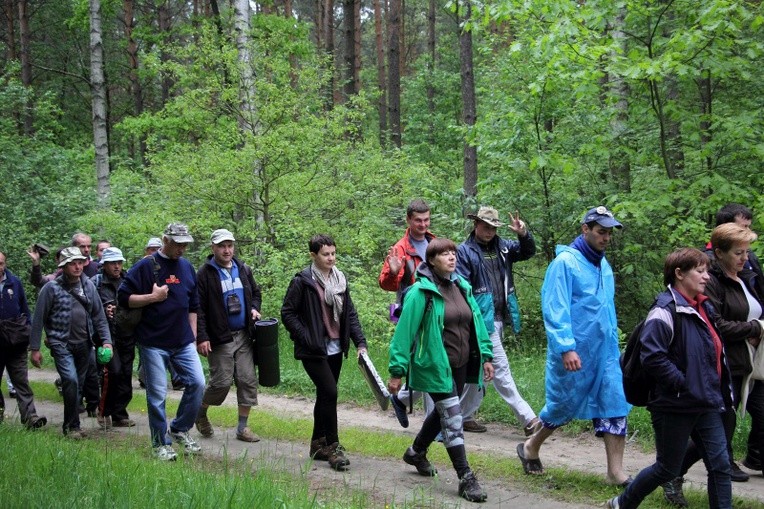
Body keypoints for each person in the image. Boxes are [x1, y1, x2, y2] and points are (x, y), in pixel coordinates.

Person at [607, 248, 732, 509]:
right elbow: (652, 357)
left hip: (706, 402)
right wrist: (682, 384)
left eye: (707, 270)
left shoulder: (703, 307)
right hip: (674, 405)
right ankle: (623, 503)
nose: (706, 277)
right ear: (678, 273)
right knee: (666, 468)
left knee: (720, 466)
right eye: (700, 271)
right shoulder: (664, 311)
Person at [518, 206, 631, 486]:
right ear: (585, 230)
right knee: (563, 406)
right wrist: (566, 347)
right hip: (574, 352)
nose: (606, 238)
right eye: (601, 232)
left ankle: (615, 472)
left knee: (614, 401)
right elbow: (555, 308)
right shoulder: (565, 263)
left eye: (609, 234)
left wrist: (614, 344)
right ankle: (531, 446)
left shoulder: (602, 264)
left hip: (604, 351)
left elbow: (606, 309)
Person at [387, 238, 494, 503]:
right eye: (444, 254)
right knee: (453, 416)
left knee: (445, 411)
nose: (451, 257)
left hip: (461, 364)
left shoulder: (462, 287)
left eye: (453, 253)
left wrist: (487, 356)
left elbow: (476, 323)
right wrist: (397, 370)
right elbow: (404, 333)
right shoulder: (419, 293)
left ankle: (416, 452)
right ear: (432, 260)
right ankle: (465, 477)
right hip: (434, 366)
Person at [118, 223, 205, 461]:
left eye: (185, 244)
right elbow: (124, 298)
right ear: (165, 240)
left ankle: (179, 428)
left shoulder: (187, 267)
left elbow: (193, 305)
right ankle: (159, 444)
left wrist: (194, 336)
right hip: (153, 342)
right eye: (178, 243)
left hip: (183, 341)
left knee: (198, 384)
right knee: (157, 395)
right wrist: (152, 297)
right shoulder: (145, 266)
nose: (182, 248)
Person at [281, 234, 367, 471]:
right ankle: (333, 446)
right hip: (313, 349)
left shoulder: (340, 279)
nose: (330, 258)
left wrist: (360, 342)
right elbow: (287, 313)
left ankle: (317, 445)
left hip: (335, 346)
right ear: (313, 255)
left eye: (333, 253)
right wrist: (306, 336)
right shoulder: (303, 281)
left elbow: (350, 313)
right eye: (325, 254)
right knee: (330, 392)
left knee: (325, 395)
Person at [456, 206, 540, 435]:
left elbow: (527, 252)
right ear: (476, 225)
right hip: (481, 320)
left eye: (493, 227)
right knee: (500, 368)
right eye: (486, 226)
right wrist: (470, 319)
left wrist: (523, 234)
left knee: (481, 370)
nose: (490, 231)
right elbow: (462, 288)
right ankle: (529, 419)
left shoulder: (503, 247)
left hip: (501, 316)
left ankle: (462, 416)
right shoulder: (464, 251)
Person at [29, 246, 113, 437]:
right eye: (72, 264)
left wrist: (106, 341)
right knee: (71, 381)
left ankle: (71, 425)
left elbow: (99, 316)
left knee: (78, 386)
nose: (77, 267)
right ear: (63, 266)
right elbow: (38, 319)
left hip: (85, 344)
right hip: (61, 343)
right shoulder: (51, 288)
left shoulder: (88, 286)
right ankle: (72, 426)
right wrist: (35, 349)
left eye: (80, 262)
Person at [195, 228, 262, 442]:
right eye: (222, 246)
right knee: (221, 383)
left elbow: (256, 293)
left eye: (230, 245)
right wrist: (202, 337)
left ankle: (242, 428)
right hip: (219, 337)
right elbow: (199, 309)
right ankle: (200, 411)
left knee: (247, 379)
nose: (227, 250)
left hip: (243, 334)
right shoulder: (205, 274)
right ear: (213, 247)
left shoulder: (243, 268)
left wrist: (253, 307)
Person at [378, 199, 436, 424]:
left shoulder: (435, 243)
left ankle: (403, 400)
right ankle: (434, 422)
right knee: (424, 363)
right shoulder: (401, 248)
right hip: (412, 313)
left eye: (426, 220)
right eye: (418, 220)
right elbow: (385, 284)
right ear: (409, 220)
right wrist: (394, 273)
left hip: (435, 313)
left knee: (430, 362)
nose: (423, 224)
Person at [0, 250, 46, 429]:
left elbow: (25, 311)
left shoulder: (14, 282)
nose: (0, 267)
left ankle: (30, 417)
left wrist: (28, 333)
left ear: (5, 264)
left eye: (1, 263)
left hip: (16, 341)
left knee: (21, 381)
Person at [91, 247, 136, 428]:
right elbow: (89, 307)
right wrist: (105, 309)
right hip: (105, 337)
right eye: (112, 263)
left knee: (125, 375)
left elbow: (136, 302)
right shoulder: (96, 282)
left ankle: (119, 414)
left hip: (127, 334)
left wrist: (121, 309)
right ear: (105, 265)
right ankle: (103, 411)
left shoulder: (129, 281)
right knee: (113, 372)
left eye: (119, 262)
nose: (117, 266)